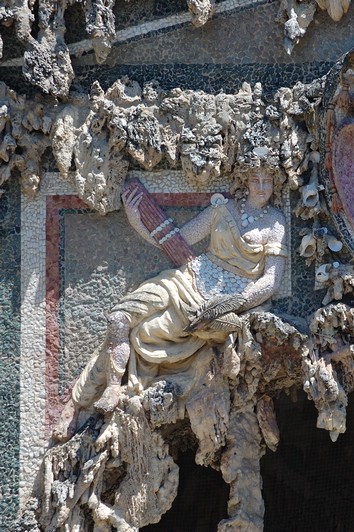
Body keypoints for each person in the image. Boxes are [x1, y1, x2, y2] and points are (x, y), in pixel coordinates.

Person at [56, 165, 287, 438]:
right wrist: (135, 221)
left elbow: (271, 280)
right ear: (244, 182)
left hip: (216, 304)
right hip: (186, 279)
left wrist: (236, 302)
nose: (261, 187)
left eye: (267, 181)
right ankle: (95, 394)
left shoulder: (275, 223)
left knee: (144, 333)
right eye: (255, 179)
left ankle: (94, 399)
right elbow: (177, 239)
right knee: (119, 319)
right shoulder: (220, 210)